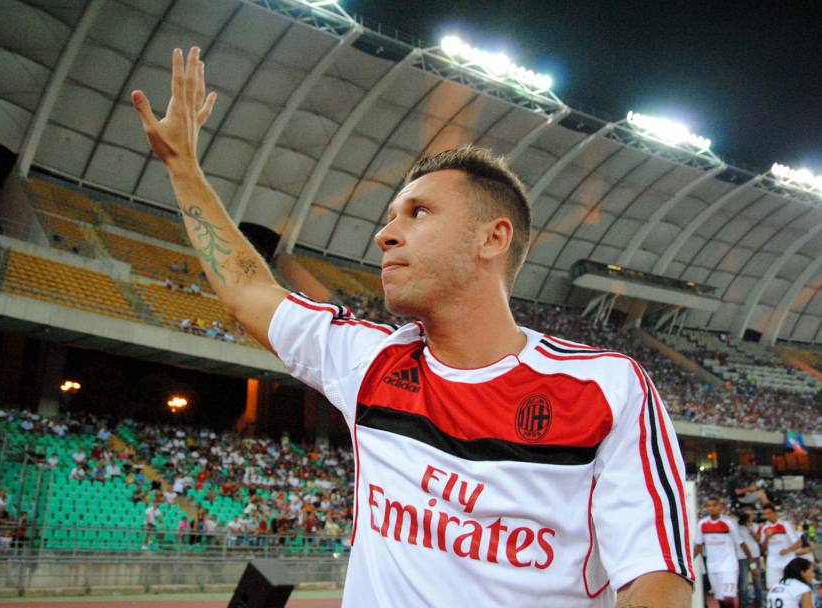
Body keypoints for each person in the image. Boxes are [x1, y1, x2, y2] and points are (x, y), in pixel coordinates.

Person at [132, 46, 694, 607]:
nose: (385, 234)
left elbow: (656, 576)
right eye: (389, 217)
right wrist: (183, 168)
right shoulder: (370, 362)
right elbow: (246, 289)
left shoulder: (607, 388)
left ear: (492, 238)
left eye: (417, 213)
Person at [694, 497, 753, 607]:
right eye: (709, 506)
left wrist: (752, 564)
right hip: (712, 567)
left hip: (729, 566)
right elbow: (698, 545)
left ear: (720, 507)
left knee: (728, 597)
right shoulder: (702, 524)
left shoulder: (728, 523)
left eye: (714, 505)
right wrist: (689, 560)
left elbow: (741, 543)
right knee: (720, 598)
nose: (711, 508)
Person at [760, 504, 804, 592]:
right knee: (773, 589)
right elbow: (762, 549)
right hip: (773, 563)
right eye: (765, 514)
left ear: (775, 513)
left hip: (788, 561)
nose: (768, 516)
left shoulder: (786, 525)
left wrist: (788, 550)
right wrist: (767, 537)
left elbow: (799, 543)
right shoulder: (764, 528)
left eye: (769, 513)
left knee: (793, 588)